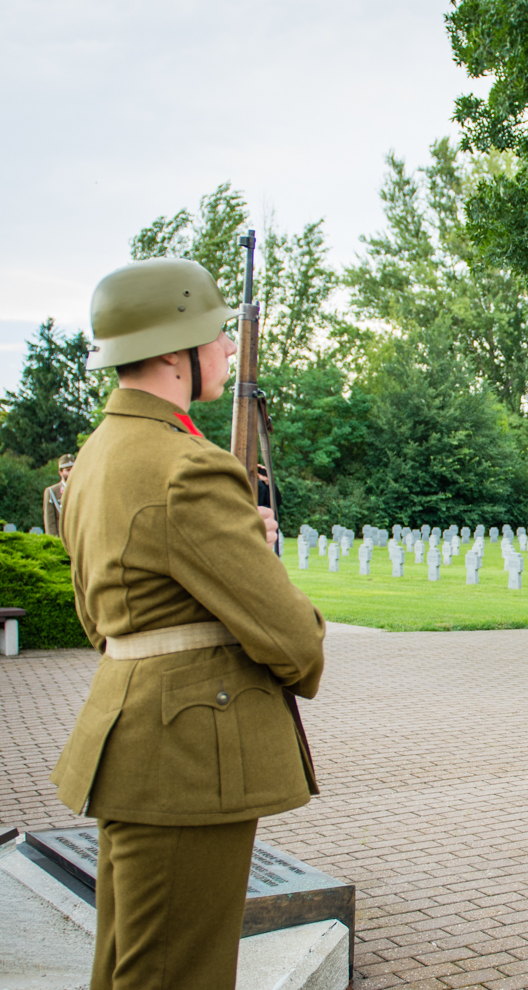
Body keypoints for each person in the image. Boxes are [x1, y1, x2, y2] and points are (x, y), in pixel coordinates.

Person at [52, 258, 325, 990]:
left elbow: (102, 617)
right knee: (182, 974)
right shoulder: (188, 466)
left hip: (130, 737)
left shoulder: (98, 454)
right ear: (175, 351)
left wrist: (228, 542)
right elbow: (294, 641)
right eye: (217, 334)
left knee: (129, 968)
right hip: (190, 757)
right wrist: (253, 555)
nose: (230, 347)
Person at [42, 452, 74, 537]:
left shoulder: (81, 490)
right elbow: (50, 523)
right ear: (60, 472)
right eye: (68, 470)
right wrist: (54, 541)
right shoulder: (52, 492)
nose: (71, 473)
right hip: (61, 538)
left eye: (73, 469)